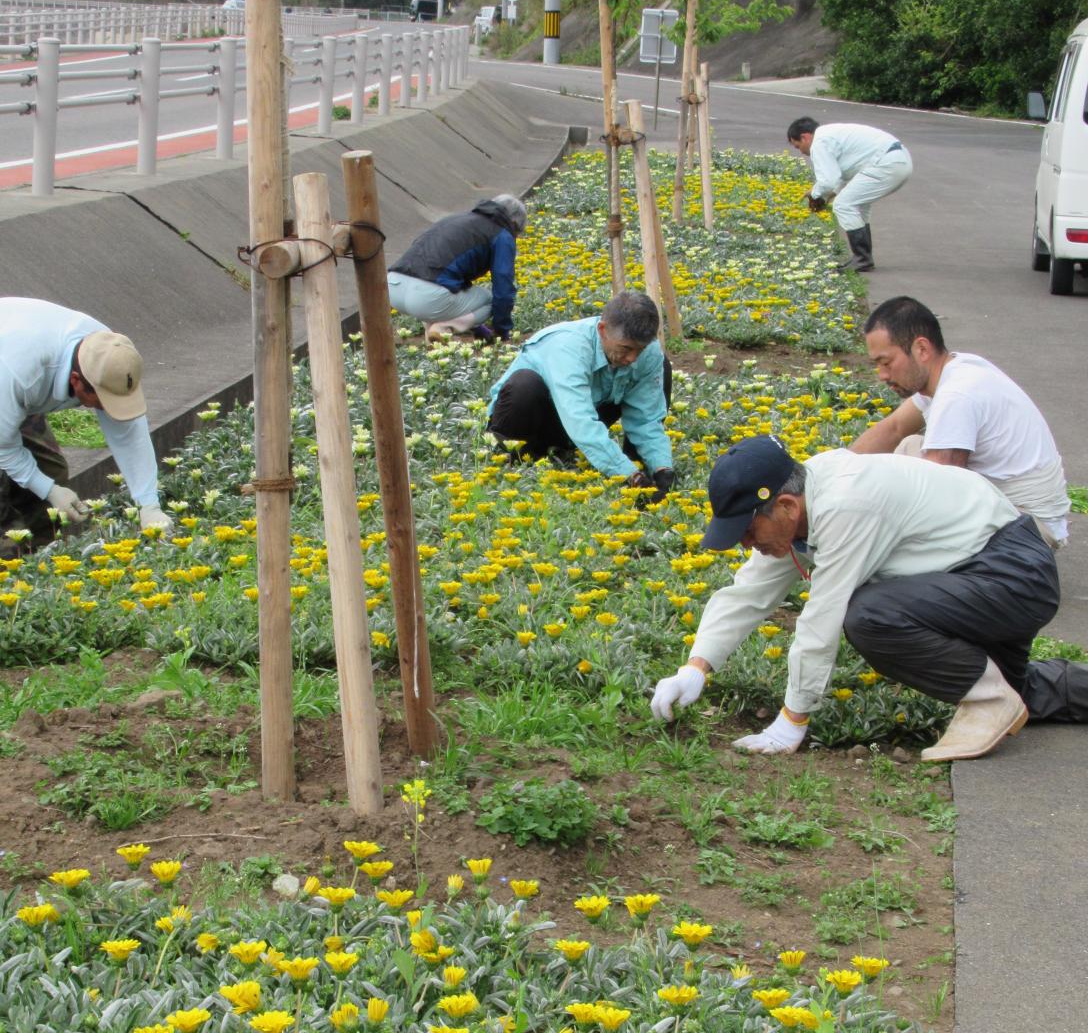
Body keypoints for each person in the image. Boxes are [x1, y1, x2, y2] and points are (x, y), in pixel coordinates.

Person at [649, 435, 1088, 759]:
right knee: (1018, 686)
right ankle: (1005, 693)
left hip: (1012, 576)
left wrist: (792, 720)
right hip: (977, 576)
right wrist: (696, 667)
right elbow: (747, 592)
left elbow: (821, 619)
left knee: (869, 615)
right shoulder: (803, 501)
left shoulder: (847, 504)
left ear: (785, 506)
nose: (747, 544)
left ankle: (988, 702)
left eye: (748, 531)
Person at [0, 297, 172, 556]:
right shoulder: (25, 372)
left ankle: (41, 559)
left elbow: (130, 434)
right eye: (104, 400)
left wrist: (149, 506)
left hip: (6, 364)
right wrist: (47, 489)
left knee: (51, 470)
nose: (109, 409)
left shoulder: (111, 356)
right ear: (76, 382)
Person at [852, 296, 1070, 548]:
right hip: (1014, 512)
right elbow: (894, 427)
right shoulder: (954, 368)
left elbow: (937, 496)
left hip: (1029, 532)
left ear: (921, 349)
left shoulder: (957, 394)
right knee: (909, 446)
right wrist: (832, 472)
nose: (882, 375)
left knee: (891, 538)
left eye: (886, 362)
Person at [487, 290, 675, 497]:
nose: (631, 358)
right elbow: (580, 419)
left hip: (572, 420)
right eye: (625, 348)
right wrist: (628, 476)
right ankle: (514, 457)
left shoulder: (647, 351)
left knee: (660, 364)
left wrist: (662, 467)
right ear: (602, 330)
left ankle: (638, 461)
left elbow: (646, 418)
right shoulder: (569, 347)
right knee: (525, 385)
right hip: (527, 418)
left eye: (639, 349)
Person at [387, 195, 525, 343]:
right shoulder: (502, 234)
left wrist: (478, 327)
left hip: (393, 287)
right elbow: (503, 289)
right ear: (514, 223)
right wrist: (501, 330)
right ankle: (445, 328)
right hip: (426, 296)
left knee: (441, 292)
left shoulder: (460, 219)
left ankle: (434, 342)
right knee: (491, 300)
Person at [787, 116, 912, 272]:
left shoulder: (819, 142)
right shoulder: (830, 134)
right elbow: (838, 177)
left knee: (843, 205)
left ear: (805, 137)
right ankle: (863, 258)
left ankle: (862, 259)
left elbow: (828, 181)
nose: (802, 152)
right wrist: (825, 195)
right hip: (898, 160)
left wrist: (815, 194)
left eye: (798, 146)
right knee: (858, 205)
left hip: (886, 164)